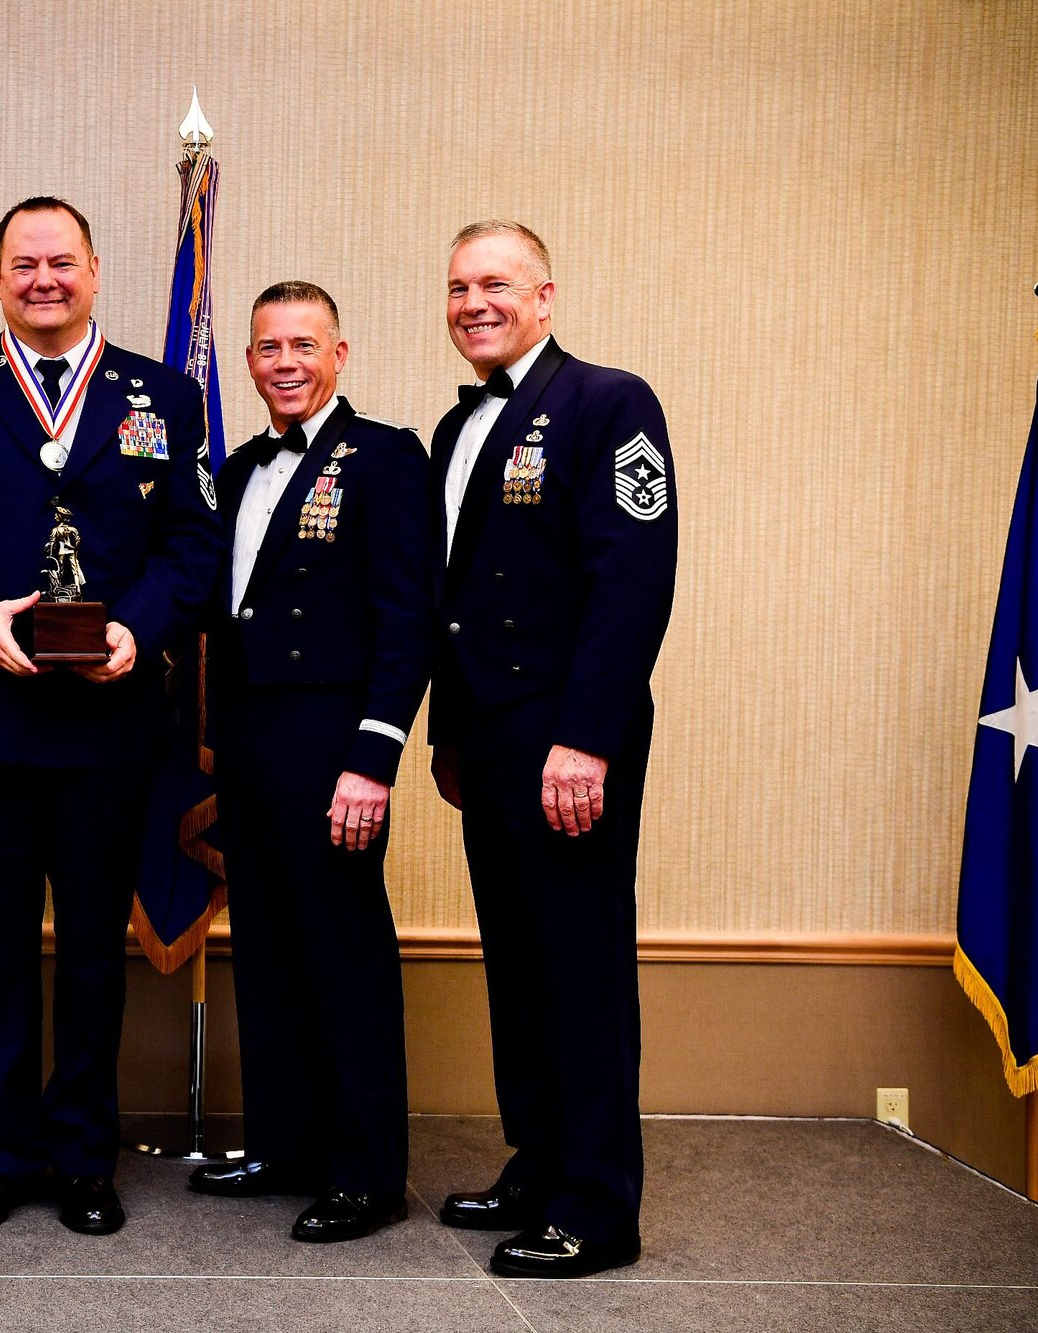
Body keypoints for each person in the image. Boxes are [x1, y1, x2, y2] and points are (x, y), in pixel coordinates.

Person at [0, 196, 222, 1236]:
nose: (42, 279)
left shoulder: (163, 393)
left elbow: (193, 541)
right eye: (23, 263)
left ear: (95, 268)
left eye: (60, 261)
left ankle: (81, 1156)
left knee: (85, 951)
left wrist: (143, 628)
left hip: (109, 722)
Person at [428, 221, 677, 1277]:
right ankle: (537, 1159)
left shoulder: (606, 402)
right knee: (516, 963)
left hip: (565, 735)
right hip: (486, 737)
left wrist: (585, 739)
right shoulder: (454, 428)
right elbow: (452, 600)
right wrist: (445, 732)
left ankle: (597, 1206)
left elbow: (632, 578)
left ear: (544, 296)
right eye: (455, 287)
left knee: (577, 966)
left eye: (494, 283)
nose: (472, 302)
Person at [189, 282, 431, 1242]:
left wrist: (374, 757)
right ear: (247, 362)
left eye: (303, 345)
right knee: (271, 953)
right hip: (248, 744)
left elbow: (405, 616)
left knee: (345, 954)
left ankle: (368, 1173)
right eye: (266, 347)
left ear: (340, 354)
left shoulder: (384, 458)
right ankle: (286, 1146)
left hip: (335, 745)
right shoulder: (239, 465)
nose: (284, 362)